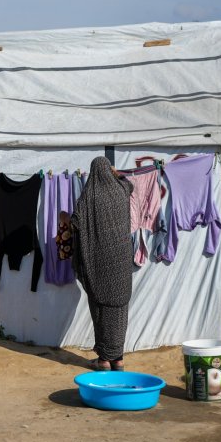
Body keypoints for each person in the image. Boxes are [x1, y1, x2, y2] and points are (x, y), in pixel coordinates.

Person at [71, 157, 134, 371]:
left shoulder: (89, 196)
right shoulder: (121, 192)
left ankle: (105, 360)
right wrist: (117, 174)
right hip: (121, 263)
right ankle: (118, 359)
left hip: (98, 265)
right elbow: (130, 184)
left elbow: (76, 222)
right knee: (119, 311)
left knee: (100, 310)